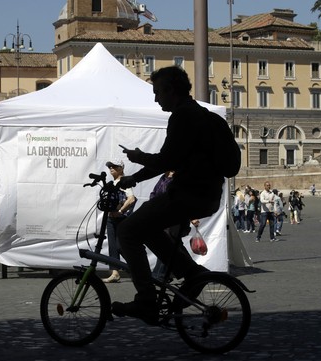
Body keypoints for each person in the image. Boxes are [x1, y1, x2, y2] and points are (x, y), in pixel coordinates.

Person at [112, 66, 241, 324]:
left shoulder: (183, 117)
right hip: (206, 195)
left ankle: (147, 299)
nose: (156, 98)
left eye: (158, 92)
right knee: (146, 229)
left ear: (172, 90)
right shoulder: (202, 115)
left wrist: (137, 159)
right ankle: (191, 273)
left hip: (188, 195)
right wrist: (133, 178)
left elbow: (166, 160)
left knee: (127, 231)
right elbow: (172, 160)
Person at [99, 159, 136, 283]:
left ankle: (136, 269)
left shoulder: (124, 182)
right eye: (110, 166)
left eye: (114, 166)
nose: (111, 168)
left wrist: (120, 211)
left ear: (121, 168)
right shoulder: (113, 182)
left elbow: (131, 199)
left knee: (121, 246)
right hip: (111, 218)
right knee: (113, 247)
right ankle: (115, 273)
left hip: (121, 219)